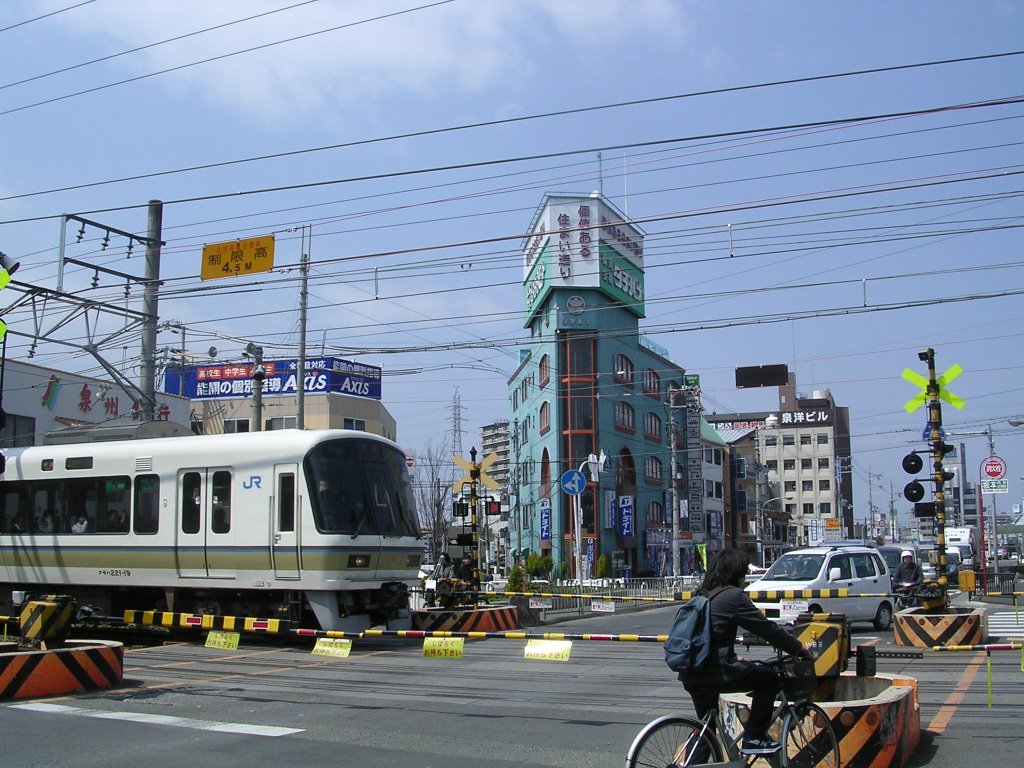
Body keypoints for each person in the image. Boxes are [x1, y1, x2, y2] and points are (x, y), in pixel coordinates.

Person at [678, 548, 812, 756]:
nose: (745, 578)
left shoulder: (702, 594)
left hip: (690, 671)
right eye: (743, 573)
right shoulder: (733, 596)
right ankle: (753, 738)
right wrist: (798, 648)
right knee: (768, 678)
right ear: (736, 573)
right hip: (716, 670)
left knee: (706, 728)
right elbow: (766, 628)